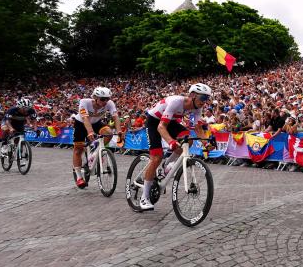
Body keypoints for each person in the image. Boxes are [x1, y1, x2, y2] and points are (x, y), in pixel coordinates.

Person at [138, 83, 212, 211]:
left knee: (188, 139)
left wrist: (206, 143)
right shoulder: (176, 102)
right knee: (156, 158)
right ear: (192, 95)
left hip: (170, 122)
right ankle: (144, 198)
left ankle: (167, 164)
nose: (204, 102)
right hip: (154, 121)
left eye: (207, 99)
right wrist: (171, 142)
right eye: (203, 98)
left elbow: (198, 128)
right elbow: (161, 127)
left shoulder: (197, 108)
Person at [71, 87, 122, 188]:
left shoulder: (110, 103)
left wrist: (119, 131)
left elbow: (115, 117)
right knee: (78, 150)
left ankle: (97, 151)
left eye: (107, 99)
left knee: (109, 133)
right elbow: (85, 118)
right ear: (95, 98)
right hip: (81, 124)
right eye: (102, 99)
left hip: (96, 123)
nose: (105, 102)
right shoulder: (84, 102)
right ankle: (79, 177)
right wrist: (90, 132)